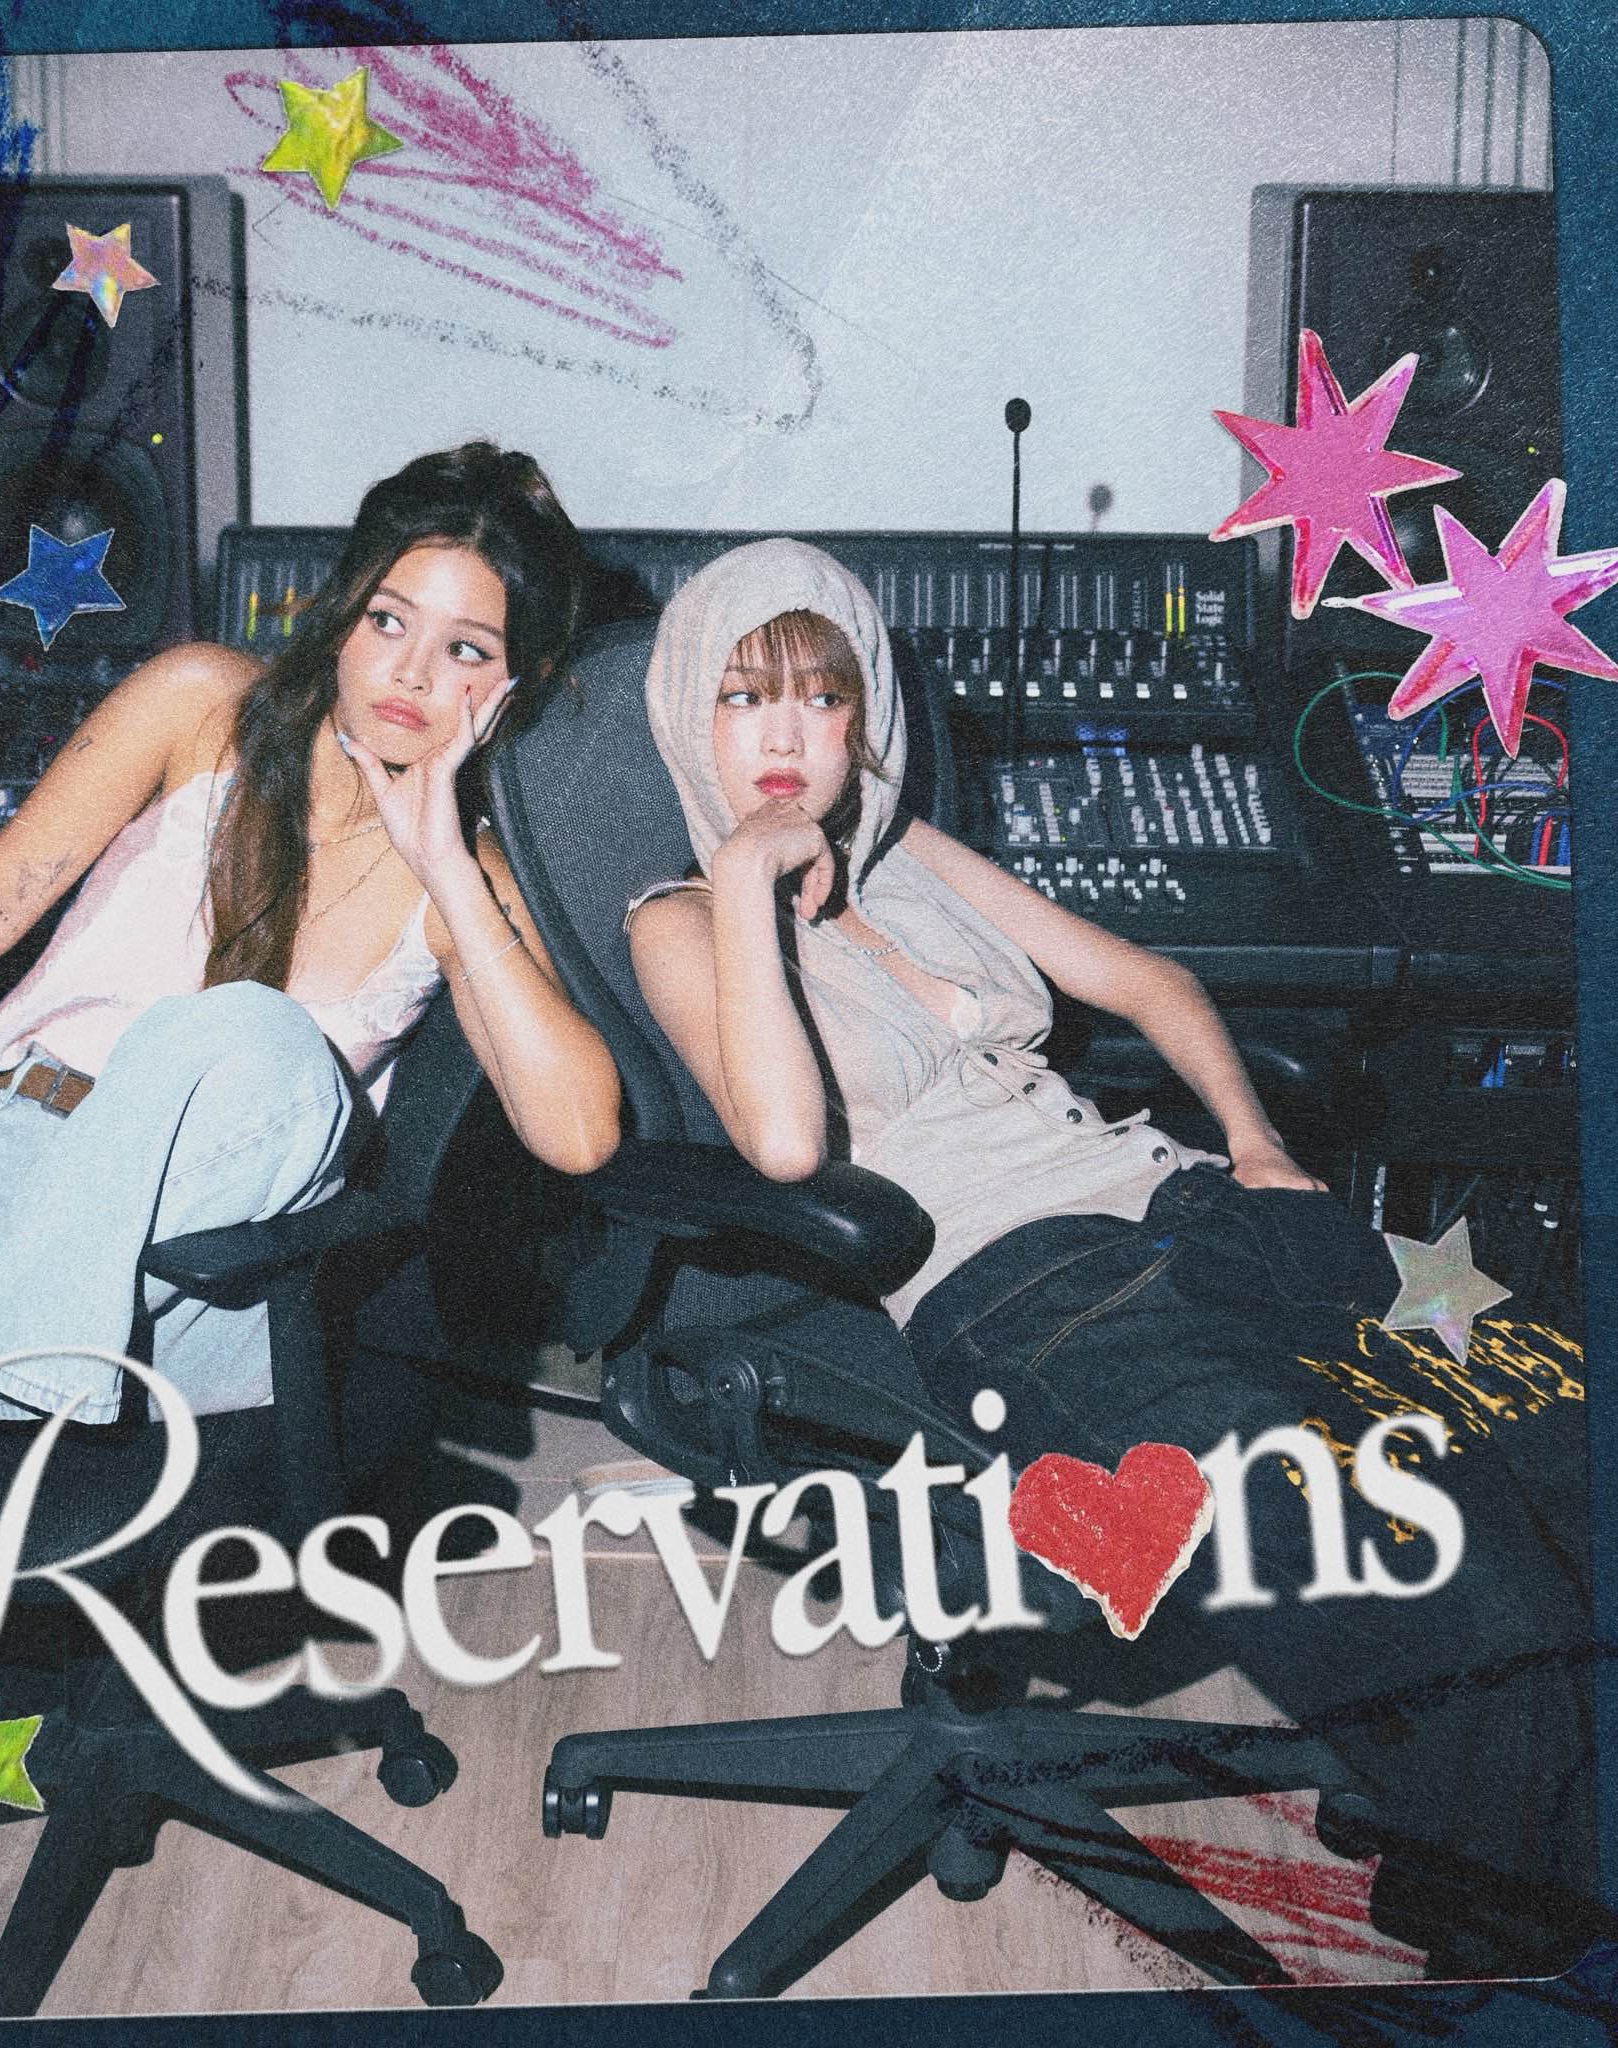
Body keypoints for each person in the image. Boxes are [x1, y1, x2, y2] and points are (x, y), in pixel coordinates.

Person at [625, 537, 1594, 1975]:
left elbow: (1148, 979)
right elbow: (778, 1143)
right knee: (1365, 1514)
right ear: (684, 717)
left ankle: (1481, 1802)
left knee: (1549, 1405)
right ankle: (1507, 1899)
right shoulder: (682, 920)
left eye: (822, 697)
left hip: (1190, 1203)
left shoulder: (911, 851)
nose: (786, 734)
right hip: (1021, 1285)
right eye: (741, 697)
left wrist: (1252, 1142)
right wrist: (748, 873)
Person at [0, 441, 621, 1603]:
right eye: (389, 619)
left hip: (202, 1277)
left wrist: (442, 857)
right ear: (344, 610)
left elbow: (579, 1133)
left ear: (512, 683)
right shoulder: (201, 703)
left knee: (241, 1029)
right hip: (2, 1169)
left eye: (465, 650)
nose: (409, 671)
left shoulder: (468, 880)